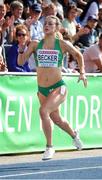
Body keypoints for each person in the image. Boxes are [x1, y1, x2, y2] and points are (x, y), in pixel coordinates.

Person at [18, 15, 87, 160]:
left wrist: (82, 72)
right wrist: (21, 48)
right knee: (57, 119)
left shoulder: (61, 44)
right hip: (42, 89)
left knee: (43, 111)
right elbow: (20, 61)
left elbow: (78, 55)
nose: (47, 25)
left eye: (50, 24)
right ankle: (74, 135)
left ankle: (49, 147)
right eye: (45, 23)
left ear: (56, 27)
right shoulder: (35, 44)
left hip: (58, 87)